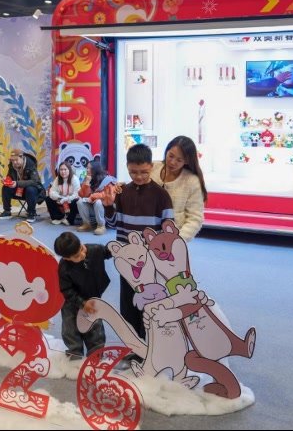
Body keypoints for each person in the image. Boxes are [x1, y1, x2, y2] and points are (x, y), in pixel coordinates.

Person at [103, 144, 174, 339]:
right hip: (127, 260)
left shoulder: (161, 195)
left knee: (150, 302)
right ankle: (132, 343)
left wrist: (162, 259)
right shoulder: (122, 192)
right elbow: (113, 224)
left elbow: (168, 231)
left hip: (150, 262)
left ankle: (149, 344)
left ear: (152, 166)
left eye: (143, 172)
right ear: (127, 167)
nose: (139, 176)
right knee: (128, 303)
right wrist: (108, 207)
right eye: (133, 172)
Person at [53, 232, 112, 360]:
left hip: (93, 299)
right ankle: (74, 356)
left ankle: (96, 356)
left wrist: (116, 248)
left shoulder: (95, 250)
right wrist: (82, 303)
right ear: (67, 258)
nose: (82, 254)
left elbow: (108, 252)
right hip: (72, 302)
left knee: (95, 329)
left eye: (81, 248)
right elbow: (66, 290)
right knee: (70, 330)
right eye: (77, 256)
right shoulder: (64, 267)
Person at [151, 136, 207, 242]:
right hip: (146, 234)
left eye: (179, 160)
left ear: (187, 161)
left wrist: (177, 240)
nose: (172, 162)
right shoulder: (152, 167)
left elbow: (195, 218)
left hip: (173, 239)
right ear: (166, 151)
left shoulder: (192, 181)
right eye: (171, 156)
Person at [0, 149, 45, 224]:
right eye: (12, 160)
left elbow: (34, 181)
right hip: (19, 191)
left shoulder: (30, 164)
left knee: (30, 189)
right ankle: (7, 211)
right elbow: (10, 178)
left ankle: (31, 213)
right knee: (6, 187)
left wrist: (17, 184)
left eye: (16, 160)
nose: (14, 162)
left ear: (22, 157)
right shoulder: (12, 165)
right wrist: (6, 180)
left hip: (33, 192)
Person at [76, 160, 116, 235]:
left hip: (105, 209)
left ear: (96, 169)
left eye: (89, 168)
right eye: (87, 168)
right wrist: (87, 183)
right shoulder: (88, 178)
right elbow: (83, 195)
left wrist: (93, 197)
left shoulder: (107, 180)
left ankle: (101, 226)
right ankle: (86, 224)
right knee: (80, 202)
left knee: (98, 202)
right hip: (93, 207)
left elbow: (108, 196)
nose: (87, 170)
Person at [46, 161, 80, 226]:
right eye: (61, 170)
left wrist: (66, 199)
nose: (63, 172)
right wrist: (59, 197)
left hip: (71, 199)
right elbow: (52, 191)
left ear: (69, 170)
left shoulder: (75, 179)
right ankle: (59, 217)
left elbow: (77, 194)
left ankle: (70, 220)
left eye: (65, 169)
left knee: (76, 201)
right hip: (61, 198)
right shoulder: (57, 179)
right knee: (48, 199)